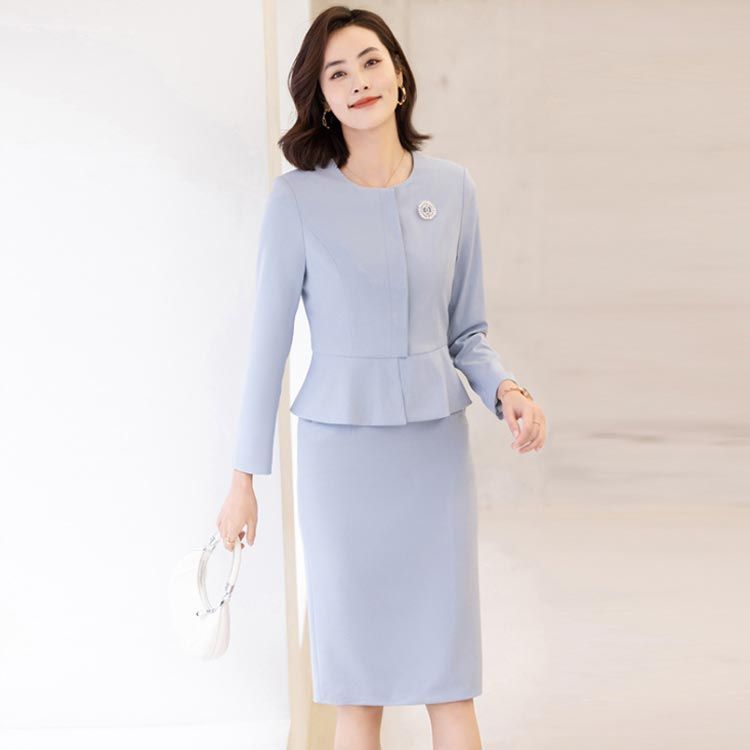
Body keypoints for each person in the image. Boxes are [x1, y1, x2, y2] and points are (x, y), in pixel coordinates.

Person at [217, 6, 547, 749]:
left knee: (449, 682)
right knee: (356, 689)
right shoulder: (295, 201)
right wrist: (242, 481)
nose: (358, 81)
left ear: (399, 74)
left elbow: (467, 332)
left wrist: (507, 390)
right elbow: (267, 349)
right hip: (340, 464)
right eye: (337, 73)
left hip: (435, 457)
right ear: (322, 99)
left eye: (370, 62)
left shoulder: (454, 188)